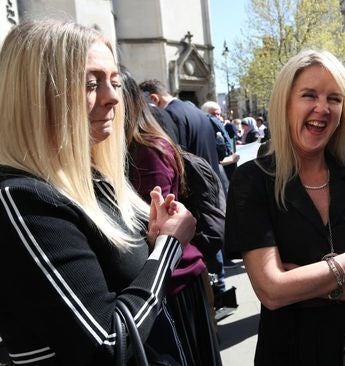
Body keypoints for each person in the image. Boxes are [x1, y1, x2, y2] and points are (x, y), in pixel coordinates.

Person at [0, 20, 196, 365]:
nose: (113, 98)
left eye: (115, 82)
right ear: (35, 96)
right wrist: (168, 248)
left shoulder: (87, 180)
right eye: (91, 84)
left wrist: (151, 243)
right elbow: (108, 343)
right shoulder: (22, 198)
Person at [224, 49, 345, 366]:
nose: (322, 108)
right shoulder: (252, 180)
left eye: (334, 98)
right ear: (286, 102)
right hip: (288, 351)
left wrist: (314, 285)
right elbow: (272, 290)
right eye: (309, 95)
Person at [122, 69, 222, 366]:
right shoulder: (145, 143)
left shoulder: (146, 148)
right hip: (171, 277)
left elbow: (160, 216)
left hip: (174, 281)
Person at [139, 79, 222, 178]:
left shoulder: (170, 115)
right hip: (213, 180)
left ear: (154, 99)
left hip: (197, 183)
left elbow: (178, 156)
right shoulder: (197, 111)